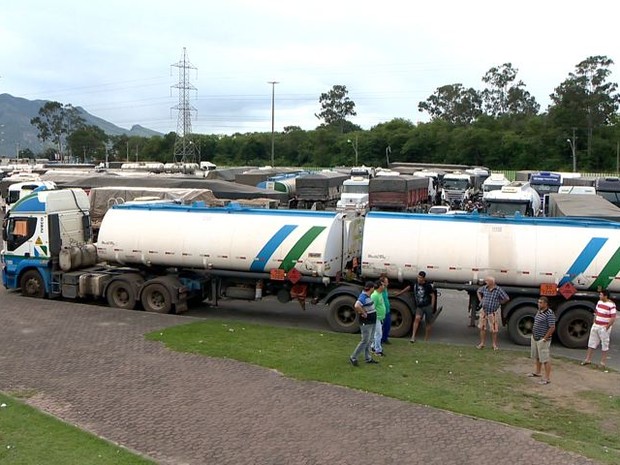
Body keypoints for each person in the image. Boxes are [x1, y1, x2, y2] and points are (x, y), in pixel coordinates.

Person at [396, 271, 435, 343]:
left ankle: (426, 339)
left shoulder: (427, 286)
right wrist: (400, 293)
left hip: (427, 306)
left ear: (424, 278)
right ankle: (413, 337)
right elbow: (408, 287)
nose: (419, 279)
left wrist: (432, 306)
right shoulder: (415, 284)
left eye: (420, 278)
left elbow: (432, 295)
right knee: (417, 318)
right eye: (418, 277)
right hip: (419, 306)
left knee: (428, 323)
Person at [581, 289, 616, 368]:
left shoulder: (611, 305)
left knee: (604, 344)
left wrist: (607, 327)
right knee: (591, 342)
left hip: (604, 327)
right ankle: (588, 359)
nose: (599, 296)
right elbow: (596, 313)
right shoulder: (599, 302)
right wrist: (594, 322)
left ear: (605, 296)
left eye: (601, 295)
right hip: (596, 325)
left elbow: (613, 317)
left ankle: (603, 362)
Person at [349, 282, 379, 366]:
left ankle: (368, 358)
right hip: (366, 323)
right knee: (365, 340)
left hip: (371, 321)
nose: (374, 289)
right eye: (373, 288)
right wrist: (363, 313)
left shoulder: (368, 296)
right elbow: (357, 305)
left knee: (370, 340)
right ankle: (353, 357)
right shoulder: (363, 296)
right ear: (371, 288)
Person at [476, 276, 509, 350]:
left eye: (487, 281)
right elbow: (478, 291)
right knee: (482, 327)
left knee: (494, 329)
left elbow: (506, 298)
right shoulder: (485, 288)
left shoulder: (498, 290)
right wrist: (481, 300)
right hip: (484, 311)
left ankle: (494, 344)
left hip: (492, 312)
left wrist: (499, 303)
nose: (485, 282)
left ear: (491, 282)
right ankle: (482, 343)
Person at [529, 296, 556, 385]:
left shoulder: (549, 313)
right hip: (535, 337)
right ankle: (538, 372)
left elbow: (552, 327)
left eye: (541, 303)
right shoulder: (539, 311)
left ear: (545, 304)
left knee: (545, 359)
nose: (539, 304)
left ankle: (547, 378)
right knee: (537, 356)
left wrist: (545, 338)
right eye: (538, 302)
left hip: (542, 339)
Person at [370, 280, 386, 356]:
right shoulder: (375, 295)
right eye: (383, 285)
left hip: (380, 318)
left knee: (376, 334)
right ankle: (378, 351)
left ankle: (373, 347)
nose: (384, 286)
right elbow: (372, 308)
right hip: (376, 318)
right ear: (379, 286)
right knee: (378, 334)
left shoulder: (380, 294)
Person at [380, 275, 392, 346]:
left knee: (388, 325)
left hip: (387, 311)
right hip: (382, 311)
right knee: (382, 326)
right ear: (383, 283)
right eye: (387, 282)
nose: (388, 283)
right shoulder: (380, 291)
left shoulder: (386, 289)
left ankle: (385, 338)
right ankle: (380, 340)